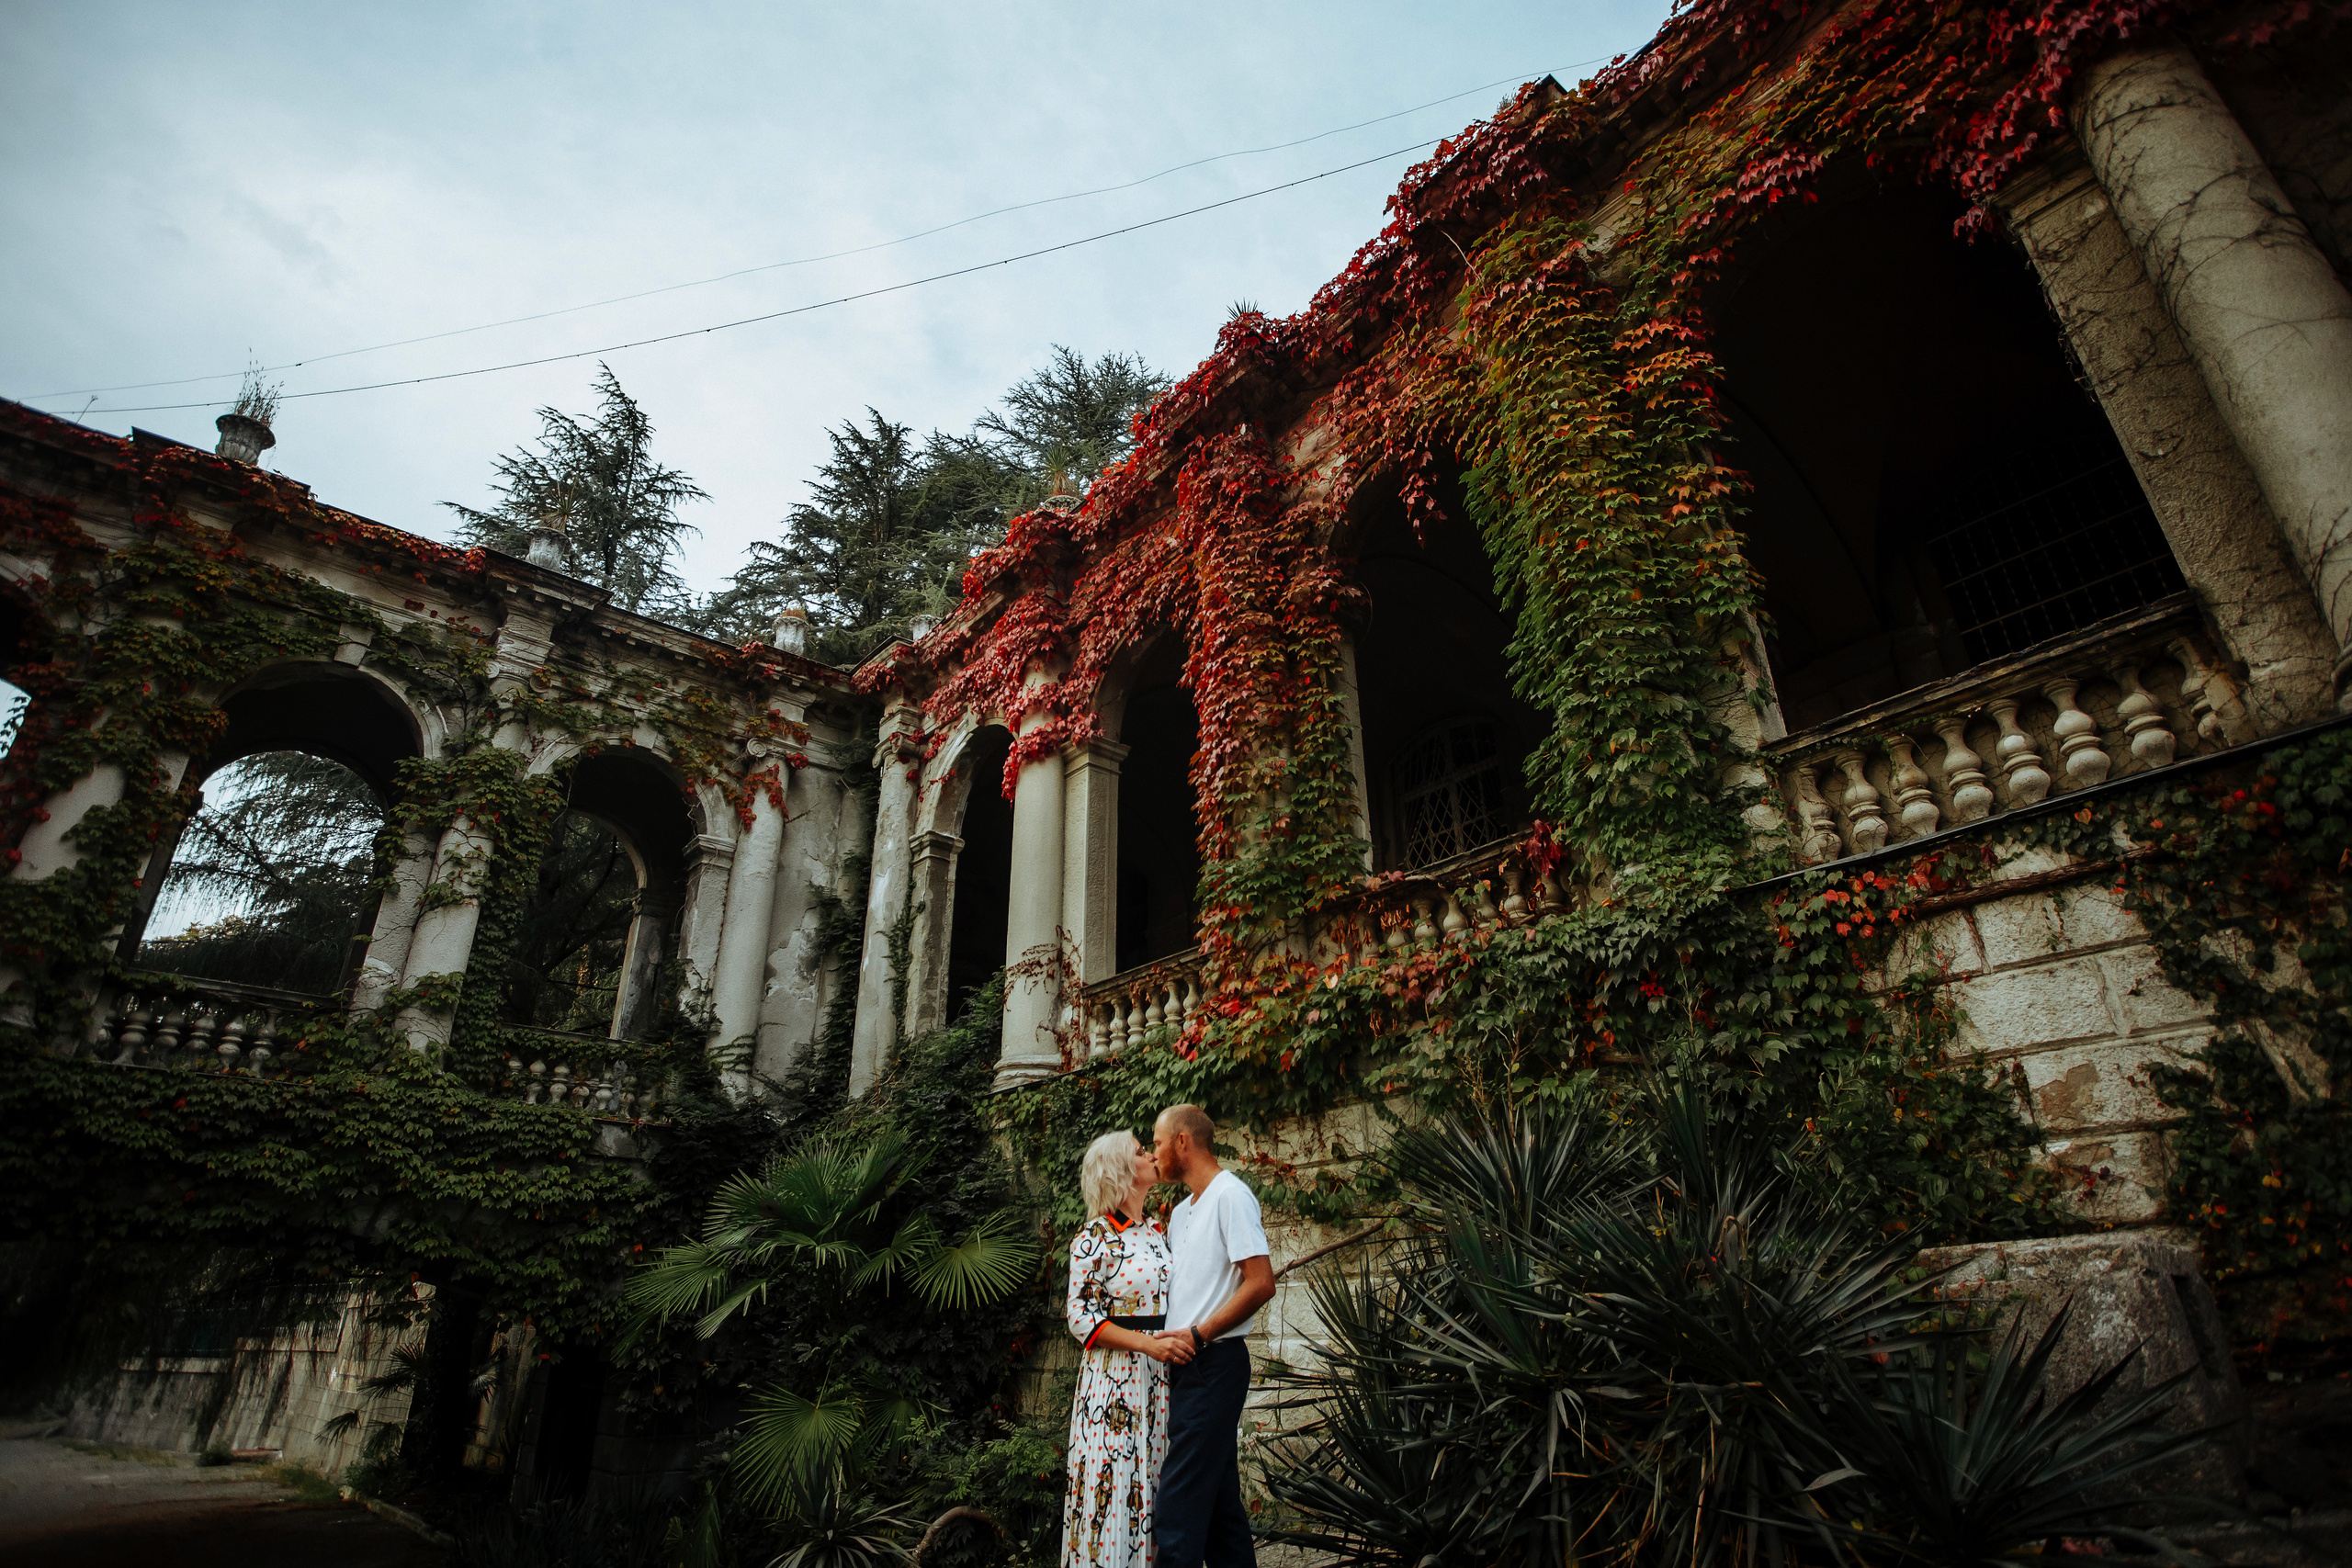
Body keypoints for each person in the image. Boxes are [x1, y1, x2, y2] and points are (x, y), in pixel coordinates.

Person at [1149, 1103, 1275, 1568]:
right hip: (1186, 1371)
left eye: (1158, 1142)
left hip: (1214, 1364)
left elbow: (1261, 1283)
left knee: (1177, 1507)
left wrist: (1199, 1336)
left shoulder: (1231, 1196)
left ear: (1183, 1141)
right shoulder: (1180, 1213)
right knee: (1222, 1513)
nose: (1154, 1152)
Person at [1064, 1129, 1184, 1568]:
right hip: (1113, 1381)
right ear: (1120, 1170)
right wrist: (1145, 1346)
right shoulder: (1097, 1236)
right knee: (1113, 1487)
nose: (1152, 1154)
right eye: (1140, 1151)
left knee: (1155, 1481)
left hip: (1161, 1380)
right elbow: (1079, 1315)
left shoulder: (1156, 1232)